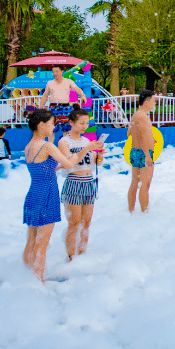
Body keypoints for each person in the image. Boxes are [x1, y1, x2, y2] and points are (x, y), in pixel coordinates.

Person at [22, 109, 104, 283]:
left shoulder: (29, 146)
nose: (54, 127)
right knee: (42, 243)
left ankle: (26, 278)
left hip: (33, 194)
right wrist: (87, 149)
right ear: (41, 125)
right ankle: (38, 282)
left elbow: (47, 168)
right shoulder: (46, 146)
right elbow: (69, 163)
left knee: (31, 240)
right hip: (46, 195)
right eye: (52, 123)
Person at [59, 108, 105, 261]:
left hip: (89, 182)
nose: (85, 126)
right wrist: (87, 149)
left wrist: (99, 156)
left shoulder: (85, 141)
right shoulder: (64, 142)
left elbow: (92, 164)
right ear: (71, 122)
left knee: (86, 222)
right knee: (74, 221)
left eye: (87, 123)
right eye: (81, 123)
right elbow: (68, 163)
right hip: (74, 183)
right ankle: (71, 256)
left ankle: (82, 255)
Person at [127, 90, 158, 213]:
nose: (155, 104)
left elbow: (129, 133)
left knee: (135, 182)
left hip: (134, 151)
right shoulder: (144, 117)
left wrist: (151, 139)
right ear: (147, 101)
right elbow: (144, 136)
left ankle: (131, 210)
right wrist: (147, 155)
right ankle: (144, 213)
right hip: (144, 153)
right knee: (145, 184)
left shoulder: (136, 114)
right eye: (154, 101)